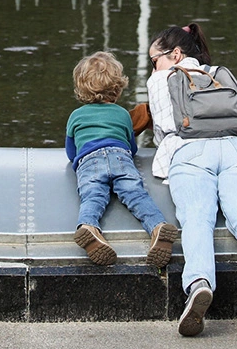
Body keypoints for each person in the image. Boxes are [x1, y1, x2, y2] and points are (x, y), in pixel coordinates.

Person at [146, 23, 237, 337]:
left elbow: (165, 130)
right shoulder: (219, 72)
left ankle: (199, 284)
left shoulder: (162, 79)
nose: (153, 67)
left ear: (175, 54)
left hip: (190, 151)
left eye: (155, 60)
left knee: (197, 217)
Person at [66, 51, 179, 268]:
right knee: (136, 195)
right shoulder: (122, 114)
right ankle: (157, 227)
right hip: (120, 156)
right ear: (117, 88)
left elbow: (71, 151)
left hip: (90, 161)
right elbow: (131, 146)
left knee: (92, 197)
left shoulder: (76, 116)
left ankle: (89, 227)